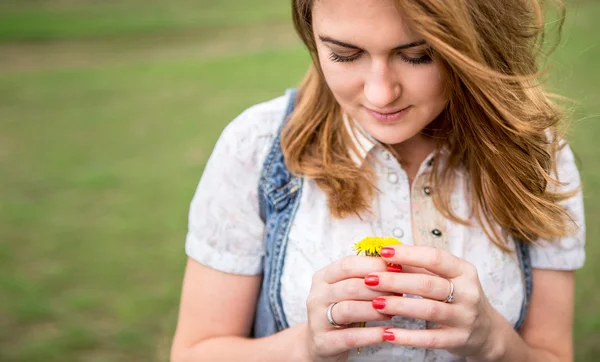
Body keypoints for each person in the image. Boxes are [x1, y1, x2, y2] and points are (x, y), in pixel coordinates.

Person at [170, 0, 585, 361]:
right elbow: (195, 351)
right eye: (345, 55)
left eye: (419, 55)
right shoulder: (256, 146)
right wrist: (306, 348)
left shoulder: (538, 156)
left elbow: (552, 354)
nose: (381, 93)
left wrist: (492, 342)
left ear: (476, 40)